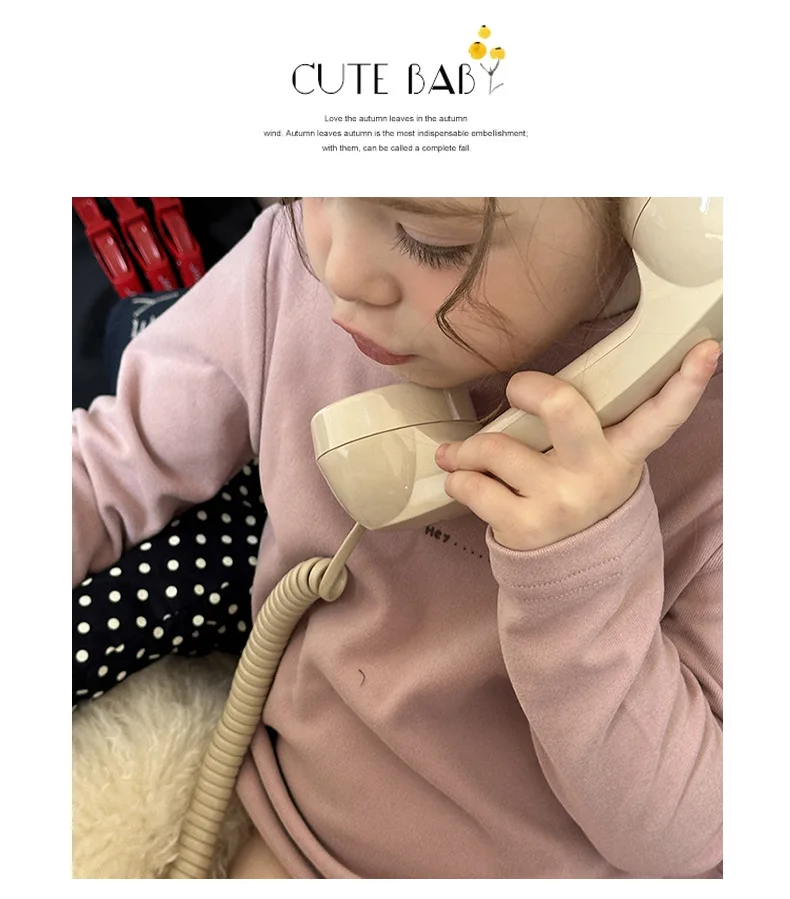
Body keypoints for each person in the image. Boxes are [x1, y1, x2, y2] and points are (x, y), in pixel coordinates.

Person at [72, 198, 722, 879]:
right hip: (292, 836)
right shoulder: (287, 267)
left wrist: (581, 579)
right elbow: (106, 465)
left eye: (431, 241)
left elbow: (686, 841)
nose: (339, 272)